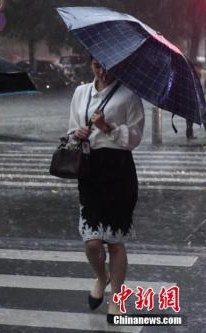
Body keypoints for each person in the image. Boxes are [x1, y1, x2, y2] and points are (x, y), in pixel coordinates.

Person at [68, 58, 144, 324]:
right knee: (92, 243)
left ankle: (117, 299)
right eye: (97, 65)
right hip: (90, 171)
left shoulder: (129, 95)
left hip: (119, 171)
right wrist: (77, 133)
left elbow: (135, 137)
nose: (102, 71)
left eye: (107, 66)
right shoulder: (81, 93)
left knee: (115, 243)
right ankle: (102, 276)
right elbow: (69, 132)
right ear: (91, 64)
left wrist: (107, 127)